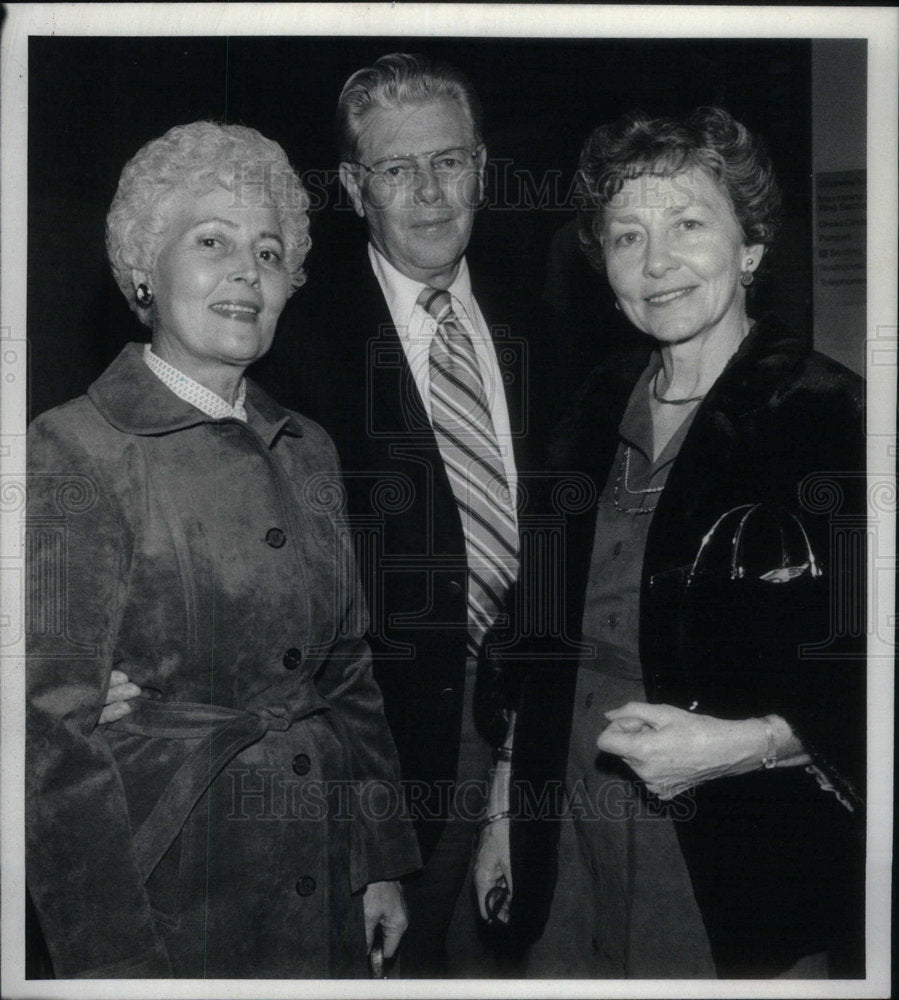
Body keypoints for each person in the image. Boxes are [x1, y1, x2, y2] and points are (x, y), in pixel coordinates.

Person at [475, 107, 866, 978]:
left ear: (751, 245)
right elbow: (531, 644)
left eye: (688, 223)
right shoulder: (585, 414)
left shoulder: (828, 418)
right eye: (626, 236)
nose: (656, 263)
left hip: (733, 847)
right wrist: (507, 812)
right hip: (567, 827)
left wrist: (743, 743)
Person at [25, 121, 420, 979]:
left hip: (323, 871)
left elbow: (346, 670)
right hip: (170, 882)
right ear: (142, 268)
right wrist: (109, 962)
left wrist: (380, 860)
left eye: (270, 252)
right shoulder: (70, 450)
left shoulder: (308, 446)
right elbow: (47, 740)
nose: (248, 269)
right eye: (212, 242)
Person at [249, 52, 563, 977]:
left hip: (539, 734)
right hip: (381, 763)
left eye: (449, 161)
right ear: (354, 186)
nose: (428, 192)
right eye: (395, 169)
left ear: (482, 167)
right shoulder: (292, 346)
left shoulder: (548, 326)